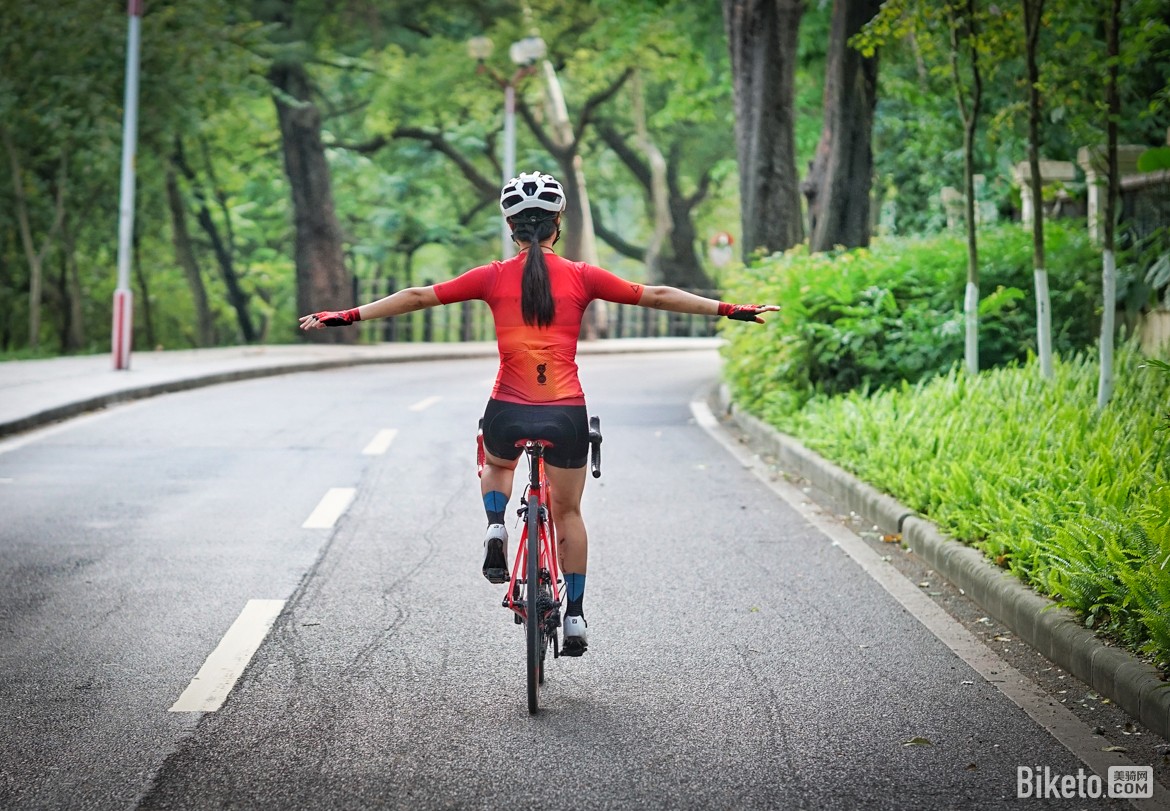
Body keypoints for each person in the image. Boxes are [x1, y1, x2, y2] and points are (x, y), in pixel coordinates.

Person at [300, 171, 777, 656]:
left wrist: (347, 315)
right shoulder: (583, 276)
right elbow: (655, 294)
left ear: (511, 227)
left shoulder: (489, 277)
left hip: (508, 409)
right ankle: (573, 619)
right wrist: (730, 309)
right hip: (565, 413)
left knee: (498, 464)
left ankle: (495, 525)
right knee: (568, 511)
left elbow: (419, 297)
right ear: (558, 224)